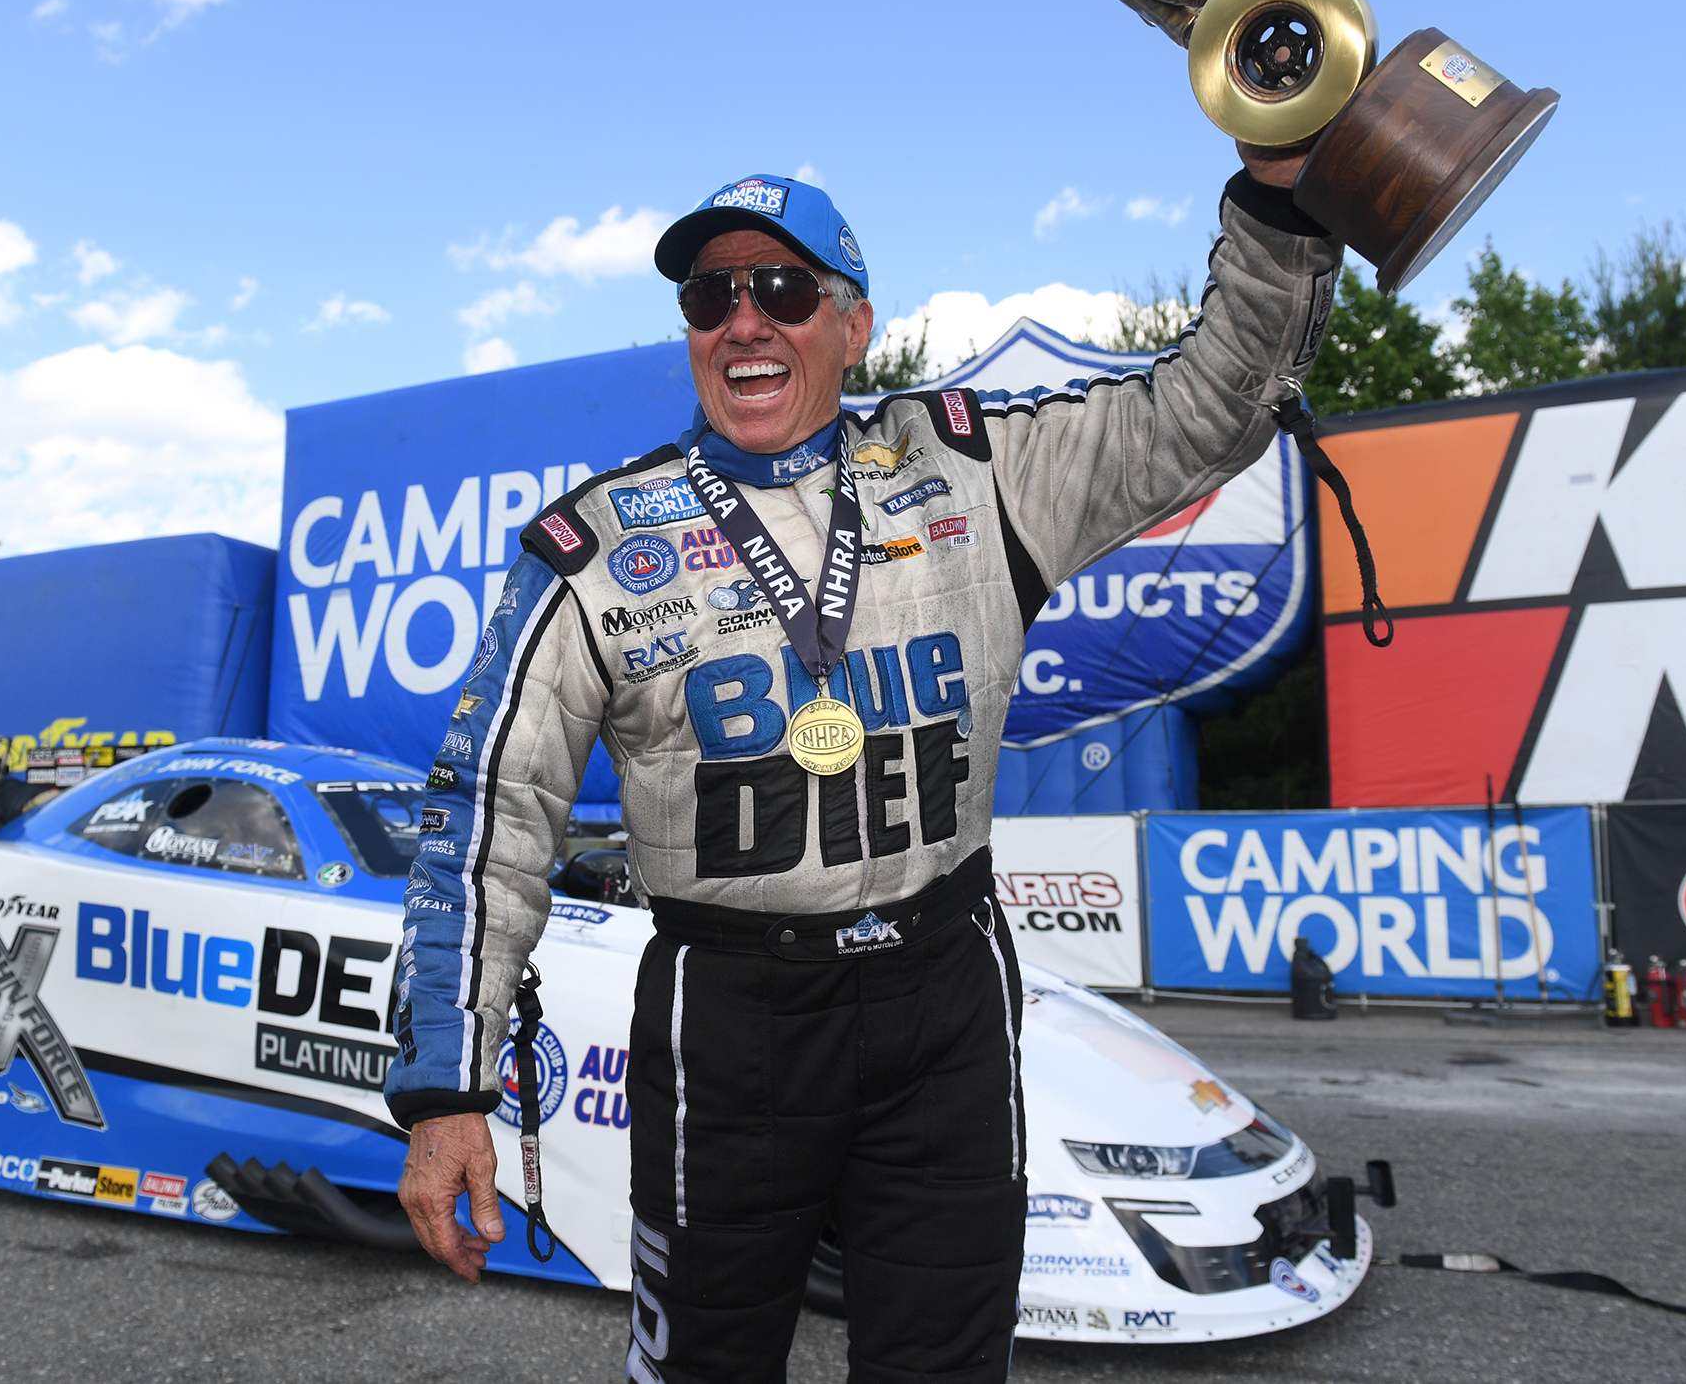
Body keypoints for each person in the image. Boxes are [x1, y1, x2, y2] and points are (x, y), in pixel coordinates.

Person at [389, 144, 1341, 1382]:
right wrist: (447, 1091)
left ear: (854, 326)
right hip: (730, 1011)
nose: (744, 322)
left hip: (944, 993)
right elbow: (488, 814)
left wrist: (1275, 200)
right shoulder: (599, 546)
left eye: (783, 290)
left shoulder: (974, 472)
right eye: (710, 296)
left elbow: (1216, 404)